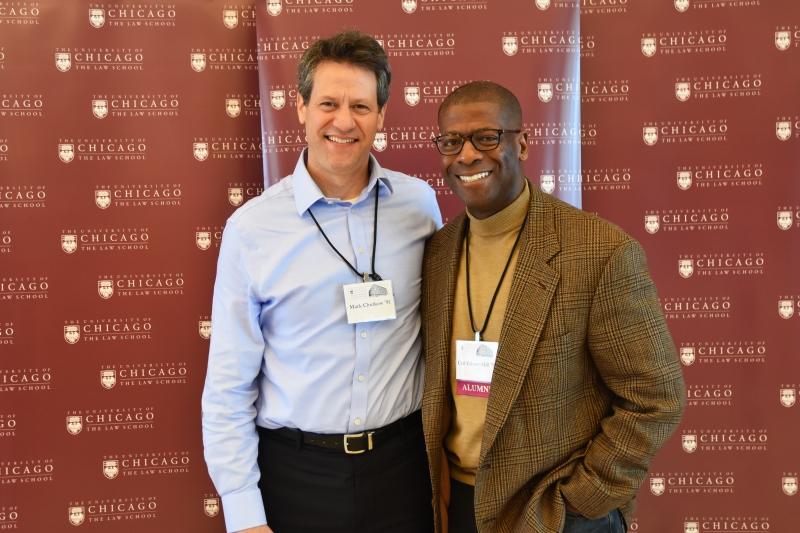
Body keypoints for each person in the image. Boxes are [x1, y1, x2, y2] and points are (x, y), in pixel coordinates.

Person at [202, 31, 441, 533]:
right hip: (295, 477)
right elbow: (228, 386)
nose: (344, 121)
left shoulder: (419, 208)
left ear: (382, 116)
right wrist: (244, 513)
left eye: (361, 105)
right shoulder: (252, 229)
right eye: (328, 103)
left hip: (403, 472)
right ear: (301, 108)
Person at [421, 81, 685, 533]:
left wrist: (582, 499)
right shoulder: (439, 252)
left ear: (522, 143)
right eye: (451, 141)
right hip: (456, 505)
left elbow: (656, 398)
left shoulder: (599, 250)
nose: (467, 155)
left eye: (487, 137)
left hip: (552, 512)